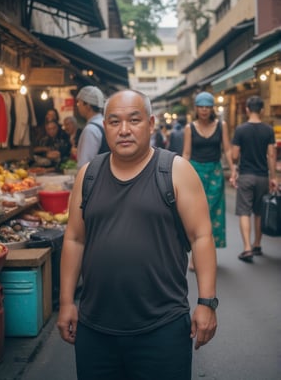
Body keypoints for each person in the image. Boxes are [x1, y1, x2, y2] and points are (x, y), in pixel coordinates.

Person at [57, 89, 218, 380]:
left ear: (151, 124)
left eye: (134, 120)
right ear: (105, 126)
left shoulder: (175, 170)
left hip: (163, 328)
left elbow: (201, 237)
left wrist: (207, 303)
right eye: (115, 122)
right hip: (95, 329)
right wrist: (67, 302)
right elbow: (74, 239)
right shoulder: (88, 175)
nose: (124, 130)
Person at [182, 91, 236, 270]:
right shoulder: (190, 128)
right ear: (196, 109)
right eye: (201, 107)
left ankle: (208, 255)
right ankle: (194, 256)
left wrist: (233, 169)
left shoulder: (222, 125)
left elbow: (227, 150)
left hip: (215, 172)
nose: (204, 110)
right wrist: (180, 175)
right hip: (195, 172)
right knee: (195, 215)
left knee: (213, 215)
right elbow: (187, 154)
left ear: (212, 108)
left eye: (207, 107)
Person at [231, 95, 277, 262]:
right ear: (263, 110)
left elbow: (235, 155)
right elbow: (271, 155)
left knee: (244, 211)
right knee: (259, 212)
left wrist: (235, 169)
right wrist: (273, 177)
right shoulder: (268, 130)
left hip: (246, 176)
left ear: (247, 109)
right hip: (262, 176)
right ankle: (257, 244)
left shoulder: (240, 129)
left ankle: (247, 248)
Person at [76, 86, 109, 169]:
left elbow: (85, 165)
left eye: (79, 103)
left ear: (87, 105)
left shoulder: (91, 130)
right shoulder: (105, 123)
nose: (78, 106)